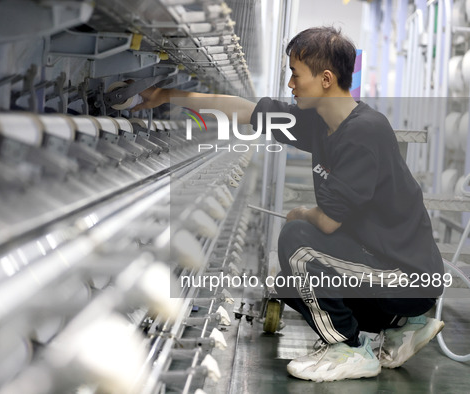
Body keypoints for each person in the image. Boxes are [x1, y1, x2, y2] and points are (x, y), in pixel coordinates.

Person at [133, 26, 445, 382]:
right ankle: (400, 327)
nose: (290, 84)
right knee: (288, 284)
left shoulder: (363, 132)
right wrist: (165, 94)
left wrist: (301, 214)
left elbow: (326, 223)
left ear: (326, 79)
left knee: (296, 239)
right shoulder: (320, 121)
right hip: (381, 265)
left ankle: (349, 349)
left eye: (296, 75)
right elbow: (244, 110)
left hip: (407, 276)